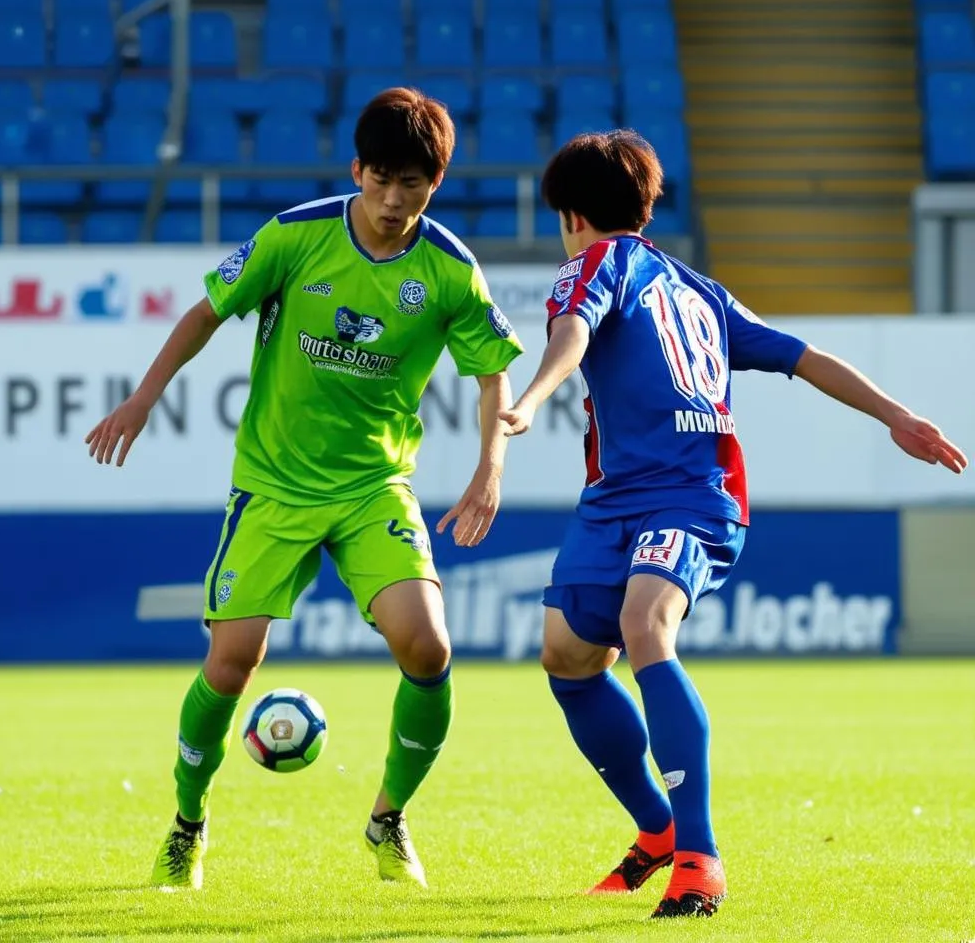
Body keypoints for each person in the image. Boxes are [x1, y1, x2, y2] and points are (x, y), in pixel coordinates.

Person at [499, 130, 968, 918]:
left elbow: (571, 334)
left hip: (690, 492)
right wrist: (896, 413)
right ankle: (655, 831)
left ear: (572, 216)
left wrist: (533, 395)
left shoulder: (593, 265)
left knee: (644, 624)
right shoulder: (699, 289)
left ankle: (699, 856)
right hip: (616, 497)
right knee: (569, 655)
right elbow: (804, 355)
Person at [86, 88, 523, 891]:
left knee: (428, 649)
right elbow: (206, 312)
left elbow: (492, 372)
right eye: (382, 179)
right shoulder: (295, 236)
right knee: (230, 665)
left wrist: (490, 466)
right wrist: (143, 397)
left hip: (373, 488)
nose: (394, 201)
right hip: (275, 485)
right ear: (357, 169)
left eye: (414, 185)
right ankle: (188, 825)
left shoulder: (452, 271)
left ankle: (388, 822)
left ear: (437, 183)